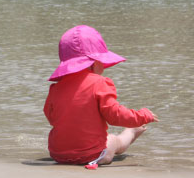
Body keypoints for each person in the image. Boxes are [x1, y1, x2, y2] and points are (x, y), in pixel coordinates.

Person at [44, 25, 159, 168]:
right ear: (93, 62)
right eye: (102, 62)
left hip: (58, 154)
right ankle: (131, 132)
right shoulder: (99, 83)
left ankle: (130, 131)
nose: (104, 67)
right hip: (93, 156)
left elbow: (51, 117)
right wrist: (142, 116)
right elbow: (115, 116)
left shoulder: (56, 88)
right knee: (114, 140)